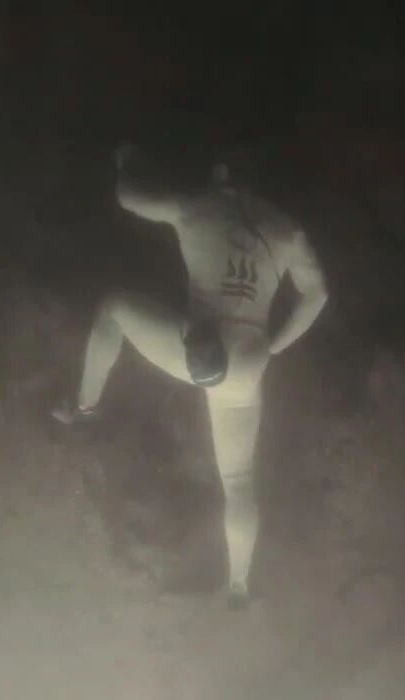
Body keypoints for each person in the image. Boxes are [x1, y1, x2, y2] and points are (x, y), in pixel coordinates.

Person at [52, 143, 329, 609]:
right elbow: (317, 295)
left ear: (221, 174)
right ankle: (238, 585)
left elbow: (128, 198)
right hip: (249, 362)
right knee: (238, 480)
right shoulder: (287, 229)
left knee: (114, 308)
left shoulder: (197, 206)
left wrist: (126, 163)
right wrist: (276, 345)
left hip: (200, 351)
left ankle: (85, 405)